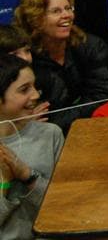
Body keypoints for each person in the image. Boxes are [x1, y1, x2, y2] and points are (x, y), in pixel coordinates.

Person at [13, 0, 108, 133]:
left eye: (68, 8)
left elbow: (105, 94)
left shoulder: (90, 45)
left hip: (96, 125)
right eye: (56, 11)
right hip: (43, 135)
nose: (67, 15)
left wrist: (57, 121)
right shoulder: (26, 57)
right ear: (36, 19)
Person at [0, 54, 64, 240]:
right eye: (24, 89)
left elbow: (61, 207)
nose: (36, 95)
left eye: (34, 86)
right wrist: (5, 183)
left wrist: (27, 175)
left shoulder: (50, 134)